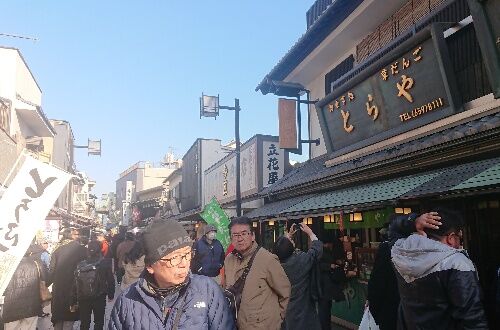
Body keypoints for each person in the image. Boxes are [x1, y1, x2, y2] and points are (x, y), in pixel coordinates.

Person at [109, 220, 235, 329]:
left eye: (187, 254)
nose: (184, 263)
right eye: (174, 258)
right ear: (150, 266)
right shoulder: (127, 302)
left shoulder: (208, 290)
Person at [391, 208, 488, 329]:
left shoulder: (399, 252)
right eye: (460, 237)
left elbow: (393, 229)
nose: (461, 243)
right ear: (451, 238)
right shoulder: (456, 263)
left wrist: (413, 221)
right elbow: (472, 317)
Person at [367, 212, 442, 330]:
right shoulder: (426, 247)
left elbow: (377, 283)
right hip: (420, 316)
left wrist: (375, 309)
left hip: (392, 310)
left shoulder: (387, 248)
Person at [224, 216, 291, 330]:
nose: (239, 239)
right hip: (236, 324)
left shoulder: (267, 259)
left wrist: (277, 320)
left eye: (244, 233)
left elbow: (285, 292)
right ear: (231, 238)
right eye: (235, 235)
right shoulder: (228, 259)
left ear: (253, 236)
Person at [272, 222, 322, 330]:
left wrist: (288, 236)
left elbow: (281, 249)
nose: (292, 240)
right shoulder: (300, 261)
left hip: (284, 312)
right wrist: (311, 233)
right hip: (304, 311)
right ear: (291, 247)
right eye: (291, 241)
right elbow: (316, 251)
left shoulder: (274, 265)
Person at [47, 228, 87, 330]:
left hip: (58, 289)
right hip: (73, 289)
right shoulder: (81, 249)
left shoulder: (57, 249)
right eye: (76, 234)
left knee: (58, 318)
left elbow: (51, 271)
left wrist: (45, 284)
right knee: (69, 319)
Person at [71, 240, 114, 330]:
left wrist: (73, 300)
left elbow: (75, 283)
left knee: (84, 322)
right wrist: (111, 295)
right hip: (99, 296)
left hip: (83, 297)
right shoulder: (104, 263)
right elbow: (110, 280)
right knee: (98, 321)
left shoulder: (80, 264)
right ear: (100, 249)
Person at [2, 244, 47, 330]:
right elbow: (46, 280)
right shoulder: (37, 263)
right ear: (29, 253)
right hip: (32, 306)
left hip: (11, 307)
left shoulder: (7, 264)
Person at [317, 237, 346, 330]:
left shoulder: (324, 251)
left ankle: (326, 326)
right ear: (328, 243)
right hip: (324, 285)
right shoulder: (321, 252)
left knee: (326, 308)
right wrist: (330, 266)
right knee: (324, 308)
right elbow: (318, 265)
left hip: (325, 286)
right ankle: (325, 327)